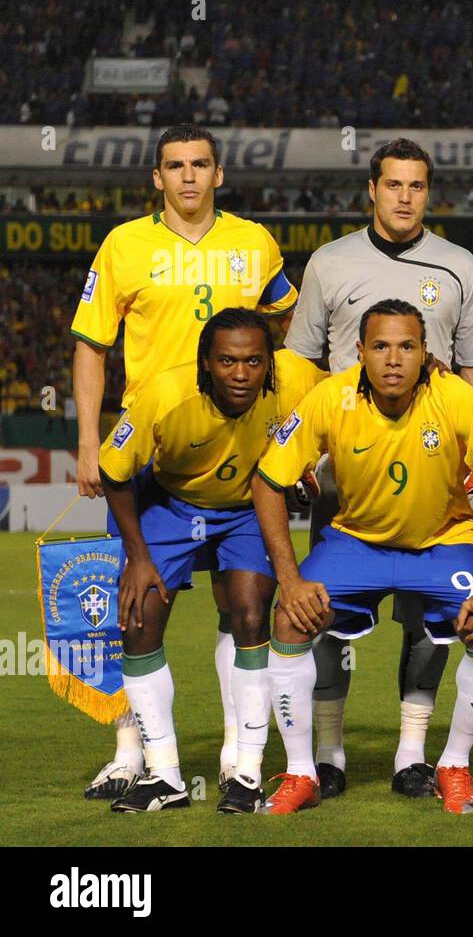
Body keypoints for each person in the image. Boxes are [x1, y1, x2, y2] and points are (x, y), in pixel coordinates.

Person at [71, 123, 298, 800]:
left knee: (246, 606)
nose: (189, 177)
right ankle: (130, 753)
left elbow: (283, 328)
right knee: (136, 608)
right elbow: (91, 345)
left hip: (237, 451)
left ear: (219, 174)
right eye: (175, 166)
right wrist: (88, 438)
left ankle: (239, 755)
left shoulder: (254, 241)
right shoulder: (124, 245)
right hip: (151, 454)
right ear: (157, 179)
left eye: (201, 164)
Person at [251, 299, 473, 815]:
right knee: (290, 619)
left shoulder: (456, 397)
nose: (393, 359)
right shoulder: (329, 397)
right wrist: (289, 580)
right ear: (360, 352)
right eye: (380, 347)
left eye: (407, 347)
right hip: (356, 542)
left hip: (444, 542)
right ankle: (302, 771)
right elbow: (267, 483)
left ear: (426, 353)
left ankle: (452, 763)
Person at [284, 137, 473, 799]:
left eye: (417, 186)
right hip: (348, 473)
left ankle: (412, 750)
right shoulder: (328, 263)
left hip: (436, 475)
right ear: (371, 191)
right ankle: (328, 752)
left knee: (428, 619)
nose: (405, 196)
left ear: (428, 193)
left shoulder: (460, 266)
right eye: (394, 184)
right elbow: (300, 363)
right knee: (321, 615)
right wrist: (298, 451)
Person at [98, 309, 322, 813]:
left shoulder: (298, 380)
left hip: (247, 509)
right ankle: (164, 776)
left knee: (250, 614)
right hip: (168, 503)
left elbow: (351, 394)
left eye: (253, 361)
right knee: (139, 621)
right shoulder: (164, 395)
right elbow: (111, 471)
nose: (241, 374)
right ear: (205, 363)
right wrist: (136, 556)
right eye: (227, 361)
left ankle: (246, 772)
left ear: (270, 363)